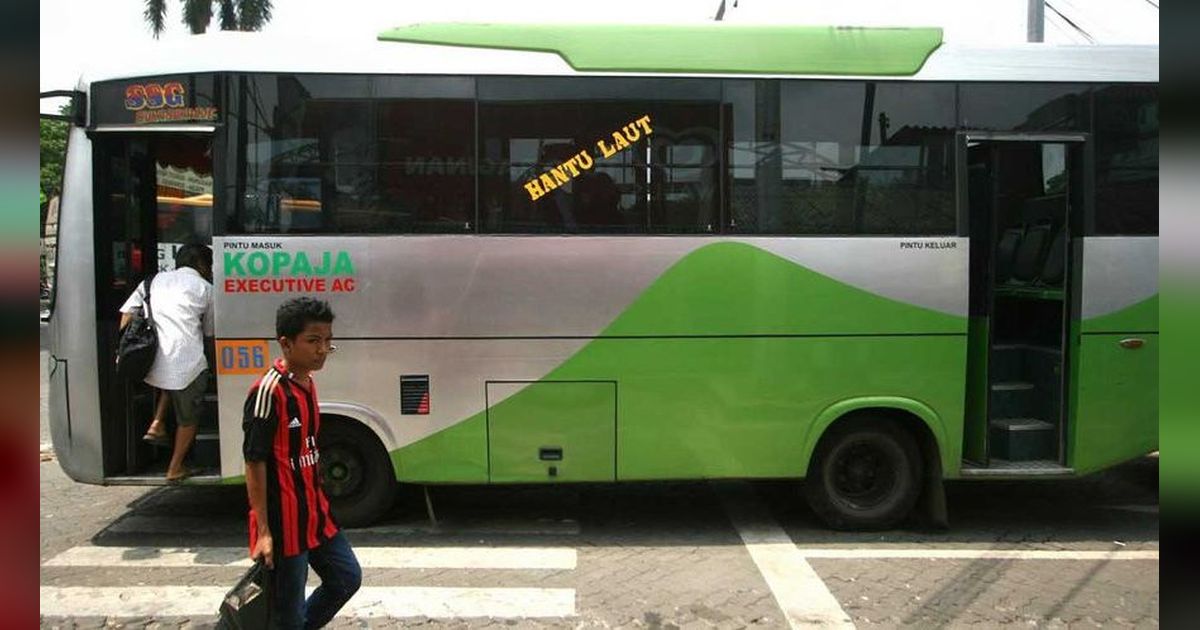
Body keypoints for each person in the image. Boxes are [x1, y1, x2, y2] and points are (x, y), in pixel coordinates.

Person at [243, 297, 361, 628]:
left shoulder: (308, 383)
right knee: (287, 615)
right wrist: (264, 531)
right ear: (286, 343)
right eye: (313, 341)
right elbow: (254, 462)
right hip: (284, 526)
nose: (323, 349)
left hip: (316, 515)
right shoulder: (268, 392)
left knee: (346, 578)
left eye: (327, 341)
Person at [118, 243, 214, 482]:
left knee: (172, 382)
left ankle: (158, 422)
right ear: (202, 264)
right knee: (189, 417)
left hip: (152, 362)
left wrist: (123, 346)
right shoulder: (205, 288)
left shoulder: (152, 282)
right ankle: (176, 467)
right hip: (187, 362)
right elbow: (210, 331)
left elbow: (127, 313)